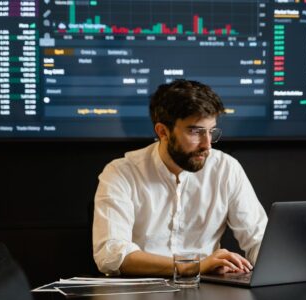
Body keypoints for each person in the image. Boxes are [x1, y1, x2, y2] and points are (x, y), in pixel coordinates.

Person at [93, 79, 268, 276]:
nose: (207, 145)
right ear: (163, 132)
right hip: (140, 294)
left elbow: (259, 239)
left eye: (211, 132)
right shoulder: (121, 172)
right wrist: (192, 267)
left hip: (209, 291)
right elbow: (111, 255)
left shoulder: (226, 168)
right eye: (196, 132)